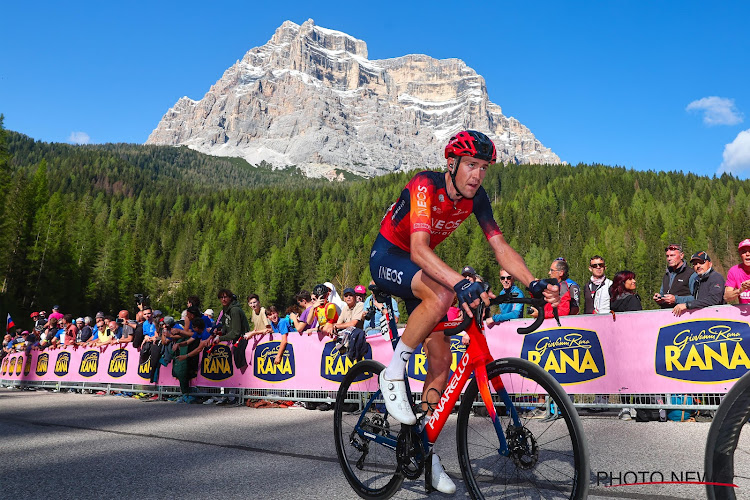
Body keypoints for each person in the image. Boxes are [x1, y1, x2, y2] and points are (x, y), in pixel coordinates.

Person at [370, 130, 559, 494]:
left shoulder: (477, 198)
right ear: (452, 163)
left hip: (420, 273)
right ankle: (392, 373)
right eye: (471, 165)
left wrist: (533, 281)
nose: (477, 175)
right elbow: (420, 250)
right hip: (390, 258)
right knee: (444, 292)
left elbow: (500, 247)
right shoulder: (426, 185)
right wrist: (459, 283)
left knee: (440, 364)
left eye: (484, 168)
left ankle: (423, 449)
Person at [673, 251, 725, 316]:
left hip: (716, 317)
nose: (698, 266)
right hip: (701, 318)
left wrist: (688, 305)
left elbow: (714, 300)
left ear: (710, 264)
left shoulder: (716, 277)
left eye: (701, 262)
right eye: (695, 264)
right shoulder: (697, 280)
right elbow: (696, 299)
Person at [653, 244, 694, 308]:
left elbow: (696, 298)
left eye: (672, 255)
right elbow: (662, 293)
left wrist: (676, 299)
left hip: (684, 315)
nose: (669, 259)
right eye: (667, 256)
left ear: (681, 255)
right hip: (666, 314)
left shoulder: (691, 274)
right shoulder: (667, 274)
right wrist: (660, 298)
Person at [724, 238, 750, 304]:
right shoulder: (734, 271)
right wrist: (741, 290)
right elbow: (726, 297)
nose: (747, 254)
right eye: (744, 252)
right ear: (740, 255)